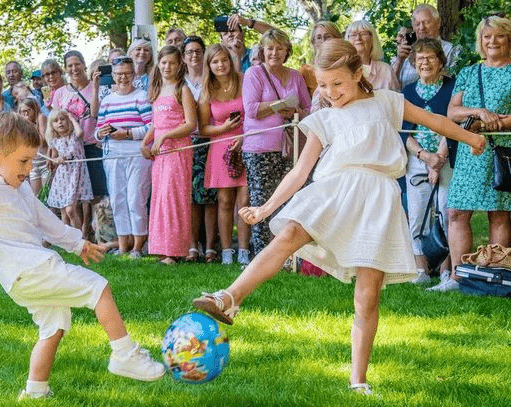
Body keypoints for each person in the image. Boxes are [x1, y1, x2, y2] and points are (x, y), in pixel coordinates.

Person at [192, 39, 485, 395]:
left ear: (357, 73)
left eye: (337, 84)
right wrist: (266, 208)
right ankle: (229, 297)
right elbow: (300, 173)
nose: (330, 93)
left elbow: (435, 120)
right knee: (288, 235)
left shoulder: (387, 102)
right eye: (324, 85)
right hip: (333, 189)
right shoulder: (324, 119)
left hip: (377, 197)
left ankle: (358, 381)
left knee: (367, 296)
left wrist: (469, 137)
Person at [0, 112, 165, 400]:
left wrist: (78, 245)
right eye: (23, 161)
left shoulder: (17, 185)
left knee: (53, 327)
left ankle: (34, 392)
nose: (29, 169)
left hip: (24, 276)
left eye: (31, 161)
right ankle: (124, 354)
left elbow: (45, 220)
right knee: (98, 288)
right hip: (30, 270)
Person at [428, 14, 511, 292]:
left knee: (497, 213)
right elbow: (452, 112)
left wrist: (492, 120)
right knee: (456, 213)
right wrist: (479, 113)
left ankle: (493, 276)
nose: (492, 41)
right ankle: (457, 276)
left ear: (508, 38)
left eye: (499, 35)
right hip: (469, 150)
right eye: (487, 37)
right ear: (480, 41)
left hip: (501, 150)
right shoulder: (469, 72)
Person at [242, 29, 311, 258]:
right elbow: (251, 110)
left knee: (289, 200)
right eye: (270, 48)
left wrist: (296, 111)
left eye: (280, 48)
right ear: (262, 51)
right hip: (260, 148)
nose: (274, 53)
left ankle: (286, 255)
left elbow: (309, 109)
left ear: (287, 51)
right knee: (262, 201)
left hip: (290, 148)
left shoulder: (295, 76)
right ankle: (262, 256)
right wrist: (279, 104)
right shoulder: (253, 74)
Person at [401, 39, 454, 284]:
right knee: (417, 215)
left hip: (446, 160)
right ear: (414, 62)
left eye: (431, 57)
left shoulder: (451, 88)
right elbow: (404, 133)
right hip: (417, 160)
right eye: (420, 58)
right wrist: (424, 156)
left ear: (440, 61)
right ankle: (421, 270)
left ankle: (445, 271)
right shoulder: (408, 93)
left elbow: (452, 125)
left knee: (445, 212)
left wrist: (438, 159)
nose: (425, 62)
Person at [141, 46, 197, 265]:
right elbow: (157, 123)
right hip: (160, 153)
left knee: (174, 198)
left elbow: (191, 124)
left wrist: (164, 138)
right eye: (164, 62)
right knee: (160, 198)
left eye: (172, 63)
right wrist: (146, 142)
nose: (167, 67)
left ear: (179, 65)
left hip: (178, 150)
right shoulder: (157, 89)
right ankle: (161, 247)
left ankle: (175, 250)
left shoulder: (183, 89)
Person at [95, 56, 153, 257]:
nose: (123, 78)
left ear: (133, 74)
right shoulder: (107, 101)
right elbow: (97, 130)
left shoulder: (142, 96)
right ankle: (122, 245)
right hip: (112, 154)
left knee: (136, 198)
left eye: (127, 73)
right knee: (118, 199)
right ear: (113, 75)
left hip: (136, 153)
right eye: (119, 74)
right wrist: (101, 133)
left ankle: (137, 246)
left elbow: (150, 127)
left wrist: (127, 133)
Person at [198, 44, 251, 265]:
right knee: (225, 201)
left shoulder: (244, 80)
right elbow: (202, 129)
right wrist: (224, 129)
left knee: (245, 199)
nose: (221, 65)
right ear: (209, 65)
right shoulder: (207, 90)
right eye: (215, 62)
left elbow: (254, 112)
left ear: (230, 61)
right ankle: (227, 250)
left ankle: (244, 250)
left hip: (247, 141)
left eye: (224, 60)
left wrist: (243, 136)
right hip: (221, 147)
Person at [52, 50, 109, 240]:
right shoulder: (60, 93)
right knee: (71, 195)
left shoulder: (95, 87)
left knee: (93, 193)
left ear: (84, 64)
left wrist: (94, 86)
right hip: (68, 150)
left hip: (90, 144)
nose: (74, 68)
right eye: (70, 66)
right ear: (65, 69)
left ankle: (95, 232)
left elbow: (94, 114)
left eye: (77, 64)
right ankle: (77, 234)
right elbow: (54, 123)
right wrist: (53, 153)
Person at [182, 35, 218, 263]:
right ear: (183, 56)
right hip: (187, 142)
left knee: (211, 195)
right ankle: (193, 244)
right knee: (191, 197)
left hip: (211, 140)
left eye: (198, 51)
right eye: (189, 52)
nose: (194, 55)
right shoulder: (179, 81)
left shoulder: (212, 79)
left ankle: (211, 246)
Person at [390, 4, 462, 88]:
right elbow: (389, 87)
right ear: (413, 27)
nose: (422, 28)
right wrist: (399, 60)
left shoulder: (452, 51)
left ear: (438, 23)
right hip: (403, 100)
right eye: (417, 24)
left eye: (427, 22)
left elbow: (454, 85)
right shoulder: (405, 52)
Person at [45, 109, 93, 229]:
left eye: (63, 119)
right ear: (52, 125)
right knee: (64, 211)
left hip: (76, 175)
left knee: (71, 209)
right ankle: (68, 240)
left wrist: (71, 118)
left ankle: (79, 237)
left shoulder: (74, 136)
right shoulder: (55, 141)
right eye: (56, 121)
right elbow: (54, 158)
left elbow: (80, 132)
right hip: (63, 177)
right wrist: (54, 160)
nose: (60, 123)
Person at [345, 20, 400, 91]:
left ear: (372, 39)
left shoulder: (386, 70)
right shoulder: (342, 70)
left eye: (363, 34)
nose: (358, 38)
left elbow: (397, 100)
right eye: (353, 35)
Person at [300, 21, 343, 99]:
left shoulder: (347, 67)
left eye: (328, 37)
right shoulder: (305, 72)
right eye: (319, 38)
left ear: (338, 39)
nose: (323, 41)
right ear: (313, 43)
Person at [18, 97, 48, 196]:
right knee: (37, 196)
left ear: (34, 109)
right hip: (33, 163)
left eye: (28, 111)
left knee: (47, 195)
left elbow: (41, 141)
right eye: (23, 112)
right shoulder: (22, 124)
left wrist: (30, 125)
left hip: (45, 161)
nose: (26, 114)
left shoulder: (41, 118)